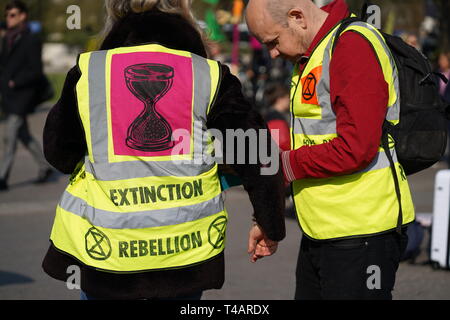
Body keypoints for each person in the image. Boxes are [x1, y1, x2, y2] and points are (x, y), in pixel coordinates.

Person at [42, 0, 286, 300]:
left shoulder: (90, 71)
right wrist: (268, 223)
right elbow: (257, 154)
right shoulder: (207, 74)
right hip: (184, 259)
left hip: (106, 256)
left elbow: (59, 154)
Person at [246, 0, 414, 300]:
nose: (272, 53)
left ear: (297, 17)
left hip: (362, 233)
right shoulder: (315, 53)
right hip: (323, 231)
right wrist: (267, 218)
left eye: (273, 41)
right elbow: (312, 141)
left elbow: (355, 148)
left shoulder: (351, 45)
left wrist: (284, 165)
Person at [0, 0, 52, 191]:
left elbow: (35, 71)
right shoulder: (7, 38)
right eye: (7, 15)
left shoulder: (31, 40)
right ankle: (45, 167)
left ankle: (2, 176)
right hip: (9, 96)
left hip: (22, 96)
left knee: (10, 136)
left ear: (23, 16)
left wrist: (16, 82)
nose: (8, 19)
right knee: (23, 135)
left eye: (12, 15)